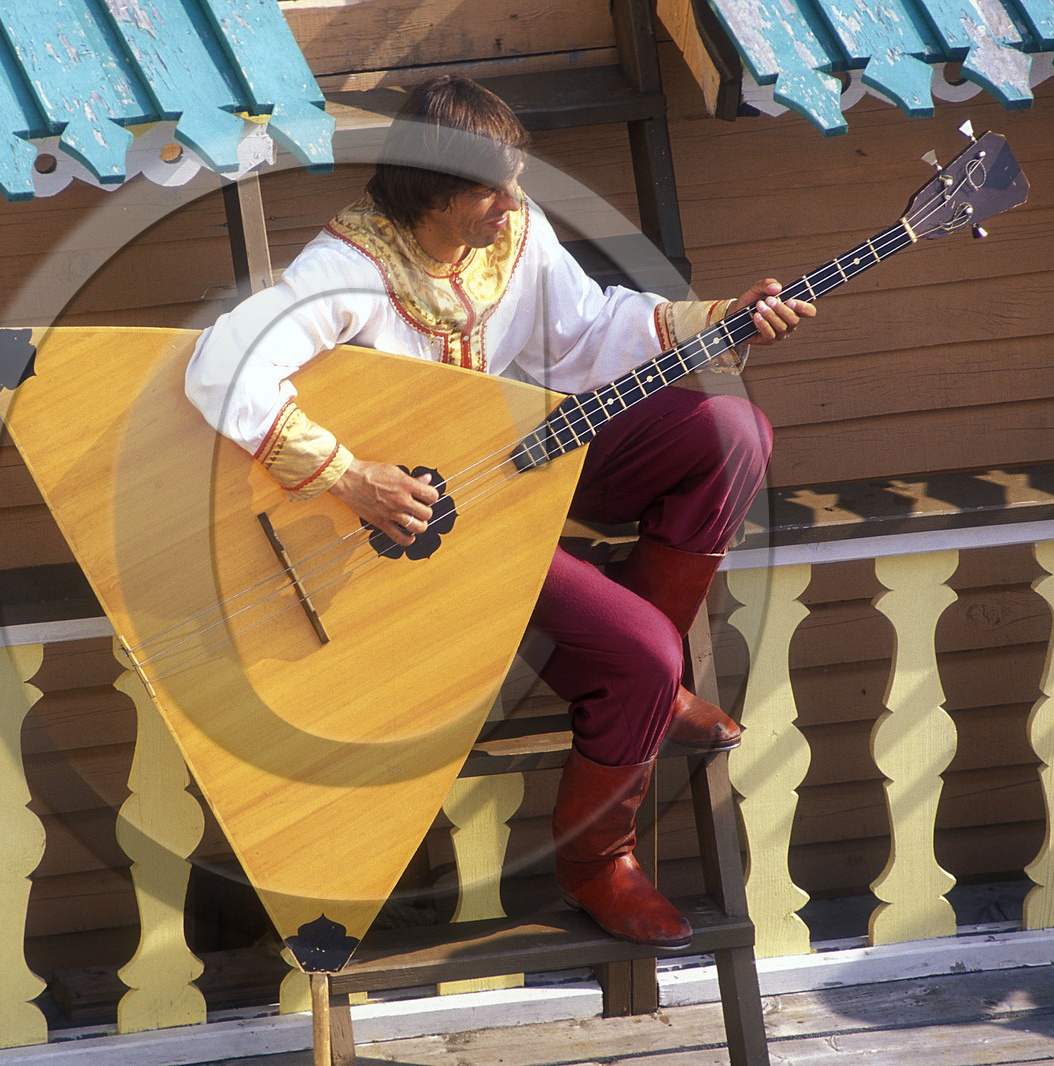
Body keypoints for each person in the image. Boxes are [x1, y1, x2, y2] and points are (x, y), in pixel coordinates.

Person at [185, 75, 814, 948]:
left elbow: (586, 335)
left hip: (524, 468)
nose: (513, 201)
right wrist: (348, 475)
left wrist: (719, 321)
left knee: (730, 430)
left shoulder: (511, 232)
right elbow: (222, 364)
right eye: (490, 186)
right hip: (430, 535)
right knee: (640, 651)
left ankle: (652, 688)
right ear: (431, 188)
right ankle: (599, 860)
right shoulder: (347, 268)